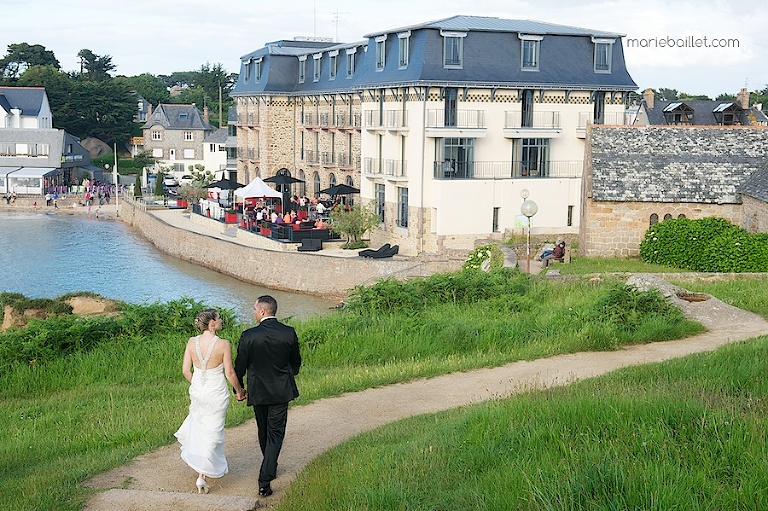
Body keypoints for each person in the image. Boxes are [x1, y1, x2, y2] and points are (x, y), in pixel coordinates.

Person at [235, 295, 302, 497]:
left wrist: (239, 388)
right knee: (275, 433)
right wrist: (287, 374)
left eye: (255, 309)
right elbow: (295, 362)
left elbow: (240, 366)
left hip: (258, 390)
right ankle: (269, 468)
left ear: (263, 311)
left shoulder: (248, 335)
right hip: (281, 390)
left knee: (264, 431)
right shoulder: (288, 332)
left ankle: (264, 479)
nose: (253, 312)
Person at [175, 309, 246, 495]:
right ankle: (202, 474)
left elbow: (185, 371)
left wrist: (197, 384)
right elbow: (229, 373)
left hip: (198, 391)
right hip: (216, 392)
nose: (221, 320)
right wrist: (239, 391)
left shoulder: (192, 342)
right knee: (213, 430)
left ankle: (201, 472)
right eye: (219, 318)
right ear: (212, 323)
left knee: (199, 427)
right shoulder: (223, 344)